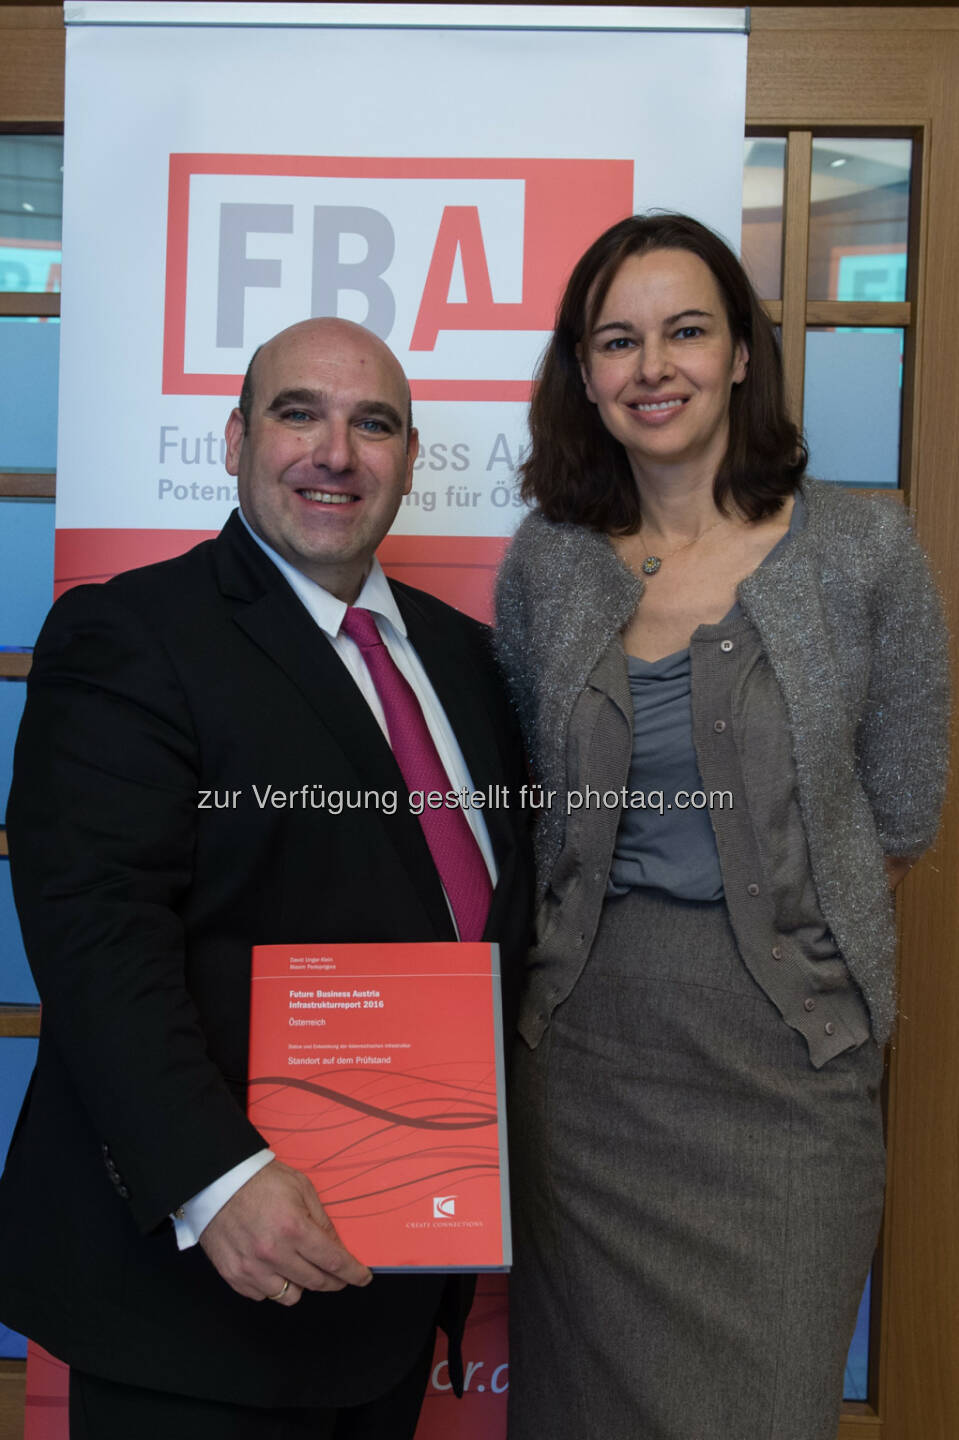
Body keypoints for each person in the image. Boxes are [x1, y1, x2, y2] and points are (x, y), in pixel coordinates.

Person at [0, 317, 531, 1440]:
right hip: (199, 1300)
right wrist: (216, 1178)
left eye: (371, 423)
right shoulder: (132, 633)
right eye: (299, 412)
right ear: (237, 437)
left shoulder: (468, 662)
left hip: (386, 1293)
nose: (334, 451)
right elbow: (96, 934)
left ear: (407, 458)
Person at [494, 213, 949, 1440]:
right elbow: (530, 809)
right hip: (585, 1070)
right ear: (581, 375)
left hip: (786, 1073)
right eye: (617, 340)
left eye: (685, 331)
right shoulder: (545, 563)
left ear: (741, 352)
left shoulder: (862, 549)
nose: (653, 367)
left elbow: (901, 804)